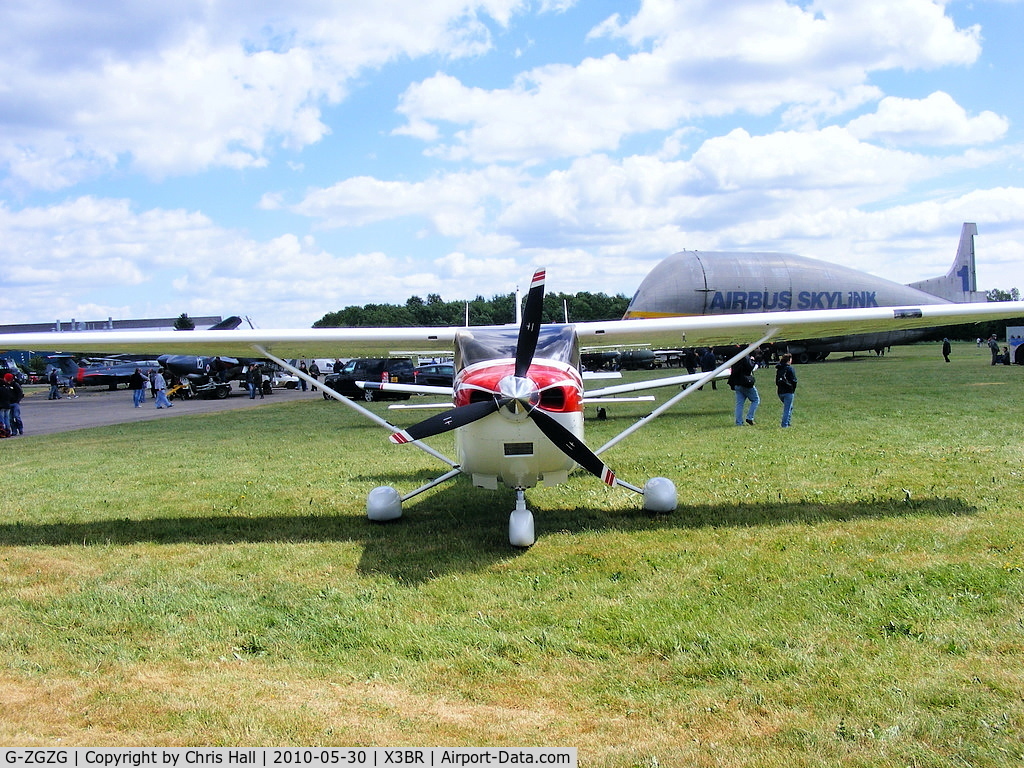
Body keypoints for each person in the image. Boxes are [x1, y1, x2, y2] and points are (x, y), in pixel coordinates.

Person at [728, 352, 759, 425]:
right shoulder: (745, 357)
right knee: (756, 400)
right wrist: (752, 360)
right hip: (745, 382)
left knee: (739, 404)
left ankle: (739, 422)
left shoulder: (736, 357)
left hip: (737, 383)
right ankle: (750, 417)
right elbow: (749, 367)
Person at [775, 353, 798, 428]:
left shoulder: (779, 368)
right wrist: (792, 388)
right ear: (789, 360)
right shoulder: (789, 368)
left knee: (790, 407)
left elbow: (776, 381)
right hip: (788, 391)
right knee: (787, 409)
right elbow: (794, 380)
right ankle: (784, 425)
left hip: (780, 392)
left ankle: (788, 422)